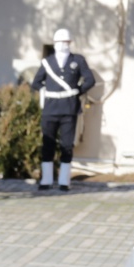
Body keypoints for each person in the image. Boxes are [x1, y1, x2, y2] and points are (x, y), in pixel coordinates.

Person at [29, 27, 95, 192]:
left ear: (70, 43)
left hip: (69, 109)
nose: (62, 44)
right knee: (48, 144)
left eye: (65, 42)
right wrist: (46, 91)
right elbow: (36, 83)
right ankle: (46, 180)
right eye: (59, 42)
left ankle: (64, 181)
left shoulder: (78, 60)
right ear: (55, 43)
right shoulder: (47, 62)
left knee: (67, 145)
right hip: (50, 109)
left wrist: (77, 91)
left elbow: (90, 79)